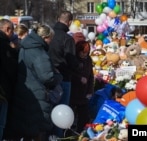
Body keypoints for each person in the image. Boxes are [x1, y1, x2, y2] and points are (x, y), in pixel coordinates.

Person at [3, 24, 63, 140]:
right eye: (51, 38)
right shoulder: (39, 52)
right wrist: (58, 76)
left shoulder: (24, 47)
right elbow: (47, 77)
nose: (51, 41)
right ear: (46, 37)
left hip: (24, 92)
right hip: (38, 96)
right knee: (38, 129)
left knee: (25, 128)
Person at [48, 10, 81, 138]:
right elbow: (71, 60)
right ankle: (58, 137)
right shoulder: (67, 39)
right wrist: (79, 66)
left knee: (49, 108)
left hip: (48, 77)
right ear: (70, 22)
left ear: (57, 18)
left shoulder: (49, 35)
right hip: (64, 77)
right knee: (61, 110)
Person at [70, 39, 94, 133]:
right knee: (71, 114)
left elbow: (91, 76)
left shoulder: (88, 60)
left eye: (86, 53)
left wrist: (90, 91)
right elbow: (70, 73)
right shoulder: (74, 59)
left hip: (84, 92)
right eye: (82, 53)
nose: (84, 55)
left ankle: (80, 133)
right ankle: (69, 132)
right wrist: (79, 78)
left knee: (83, 115)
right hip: (74, 91)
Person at [0, 19, 17, 140]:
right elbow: (10, 69)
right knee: (1, 124)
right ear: (7, 29)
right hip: (2, 90)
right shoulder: (4, 45)